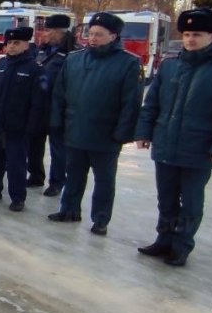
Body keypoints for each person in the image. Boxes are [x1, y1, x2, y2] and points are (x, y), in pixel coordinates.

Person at [135, 8, 212, 266]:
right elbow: (152, 103)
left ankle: (182, 245)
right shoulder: (170, 65)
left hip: (199, 148)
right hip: (166, 143)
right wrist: (144, 132)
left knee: (190, 200)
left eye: (196, 34)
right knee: (165, 197)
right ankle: (164, 239)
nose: (190, 39)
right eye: (187, 34)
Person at [47, 12, 142, 235]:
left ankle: (100, 219)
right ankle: (68, 209)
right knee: (74, 175)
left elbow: (131, 103)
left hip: (106, 135)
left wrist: (122, 133)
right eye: (90, 33)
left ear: (114, 36)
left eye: (99, 34)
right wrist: (56, 122)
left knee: (104, 181)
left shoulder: (128, 63)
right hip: (75, 130)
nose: (93, 38)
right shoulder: (74, 59)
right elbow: (60, 94)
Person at [0, 27, 45, 212]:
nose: (11, 46)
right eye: (9, 43)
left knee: (16, 164)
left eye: (16, 43)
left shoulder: (34, 69)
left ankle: (17, 197)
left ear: (26, 44)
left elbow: (38, 102)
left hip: (18, 128)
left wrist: (32, 126)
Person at [29, 14, 75, 197]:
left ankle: (57, 182)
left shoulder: (72, 53)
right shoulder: (42, 50)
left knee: (58, 149)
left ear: (60, 32)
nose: (45, 34)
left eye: (48, 30)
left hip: (59, 108)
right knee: (33, 144)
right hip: (39, 107)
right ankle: (35, 175)